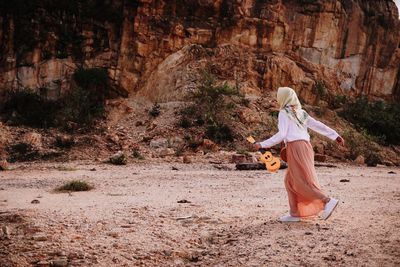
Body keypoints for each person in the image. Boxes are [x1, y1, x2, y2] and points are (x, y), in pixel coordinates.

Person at [254, 87, 345, 222]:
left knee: (300, 182)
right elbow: (318, 125)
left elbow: (282, 134)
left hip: (295, 147)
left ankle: (327, 201)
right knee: (289, 181)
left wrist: (262, 144)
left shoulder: (284, 113)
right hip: (306, 147)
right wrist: (335, 136)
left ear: (283, 98)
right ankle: (295, 213)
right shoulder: (301, 112)